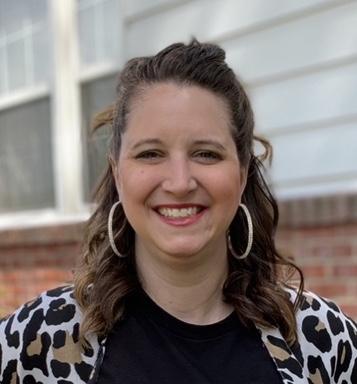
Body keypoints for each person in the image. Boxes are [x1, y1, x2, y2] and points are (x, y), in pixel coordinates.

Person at [1, 40, 356, 384]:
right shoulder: (42, 341)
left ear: (242, 170)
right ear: (118, 174)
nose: (180, 182)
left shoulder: (321, 340)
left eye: (206, 153)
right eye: (150, 154)